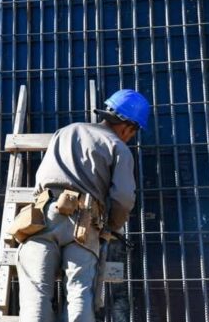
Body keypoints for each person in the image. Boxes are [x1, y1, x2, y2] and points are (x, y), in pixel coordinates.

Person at [15, 89, 150, 322]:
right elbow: (124, 198)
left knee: (36, 294)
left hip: (42, 217)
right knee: (78, 295)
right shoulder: (118, 147)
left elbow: (41, 178)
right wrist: (111, 228)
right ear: (128, 127)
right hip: (84, 225)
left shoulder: (66, 131)